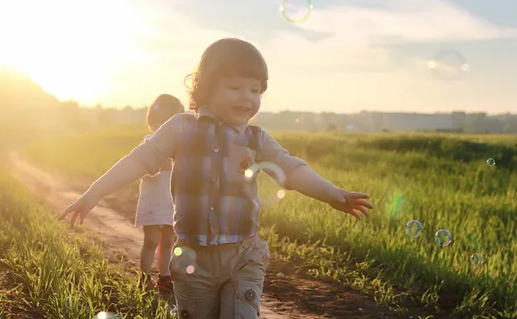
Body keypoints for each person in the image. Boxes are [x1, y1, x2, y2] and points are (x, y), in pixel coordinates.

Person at [58, 38, 373, 319]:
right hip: (193, 261)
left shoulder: (257, 139)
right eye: (235, 87)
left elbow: (291, 170)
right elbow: (141, 159)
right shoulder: (181, 128)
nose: (247, 97)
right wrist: (95, 193)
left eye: (255, 89)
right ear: (206, 87)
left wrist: (332, 193)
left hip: (243, 256)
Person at [135, 94, 184, 293]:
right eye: (160, 122)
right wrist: (156, 165)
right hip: (153, 202)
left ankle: (164, 277)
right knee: (152, 240)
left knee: (169, 241)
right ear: (152, 123)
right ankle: (143, 276)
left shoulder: (180, 148)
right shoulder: (149, 144)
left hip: (171, 203)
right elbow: (140, 167)